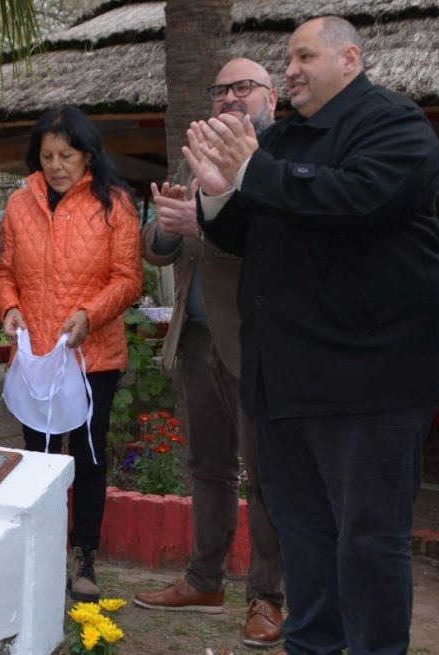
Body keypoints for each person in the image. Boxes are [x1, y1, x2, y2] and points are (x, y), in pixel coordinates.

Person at [184, 16, 439, 655]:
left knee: (368, 539)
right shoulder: (280, 140)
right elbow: (244, 235)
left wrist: (252, 173)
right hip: (284, 383)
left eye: (305, 56)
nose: (292, 69)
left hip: (371, 383)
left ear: (350, 59)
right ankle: (310, 644)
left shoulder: (396, 125)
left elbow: (355, 200)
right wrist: (221, 197)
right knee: (303, 535)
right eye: (289, 58)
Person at [132, 58, 285, 648]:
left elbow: (274, 241)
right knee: (207, 468)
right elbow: (159, 246)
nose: (229, 97)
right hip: (194, 338)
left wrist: (204, 220)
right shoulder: (193, 153)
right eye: (220, 88)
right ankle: (204, 579)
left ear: (270, 99)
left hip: (254, 343)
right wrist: (171, 225)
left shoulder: (277, 160)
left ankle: (268, 598)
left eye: (242, 87)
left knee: (265, 478)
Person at [0, 105, 142, 602]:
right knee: (41, 457)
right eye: (47, 155)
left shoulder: (115, 204)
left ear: (87, 155)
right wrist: (7, 307)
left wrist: (89, 316)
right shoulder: (18, 205)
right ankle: (42, 551)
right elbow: (1, 272)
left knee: (90, 458)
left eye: (66, 155)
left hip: (93, 355)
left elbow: (128, 278)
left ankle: (85, 557)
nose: (55, 164)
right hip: (37, 359)